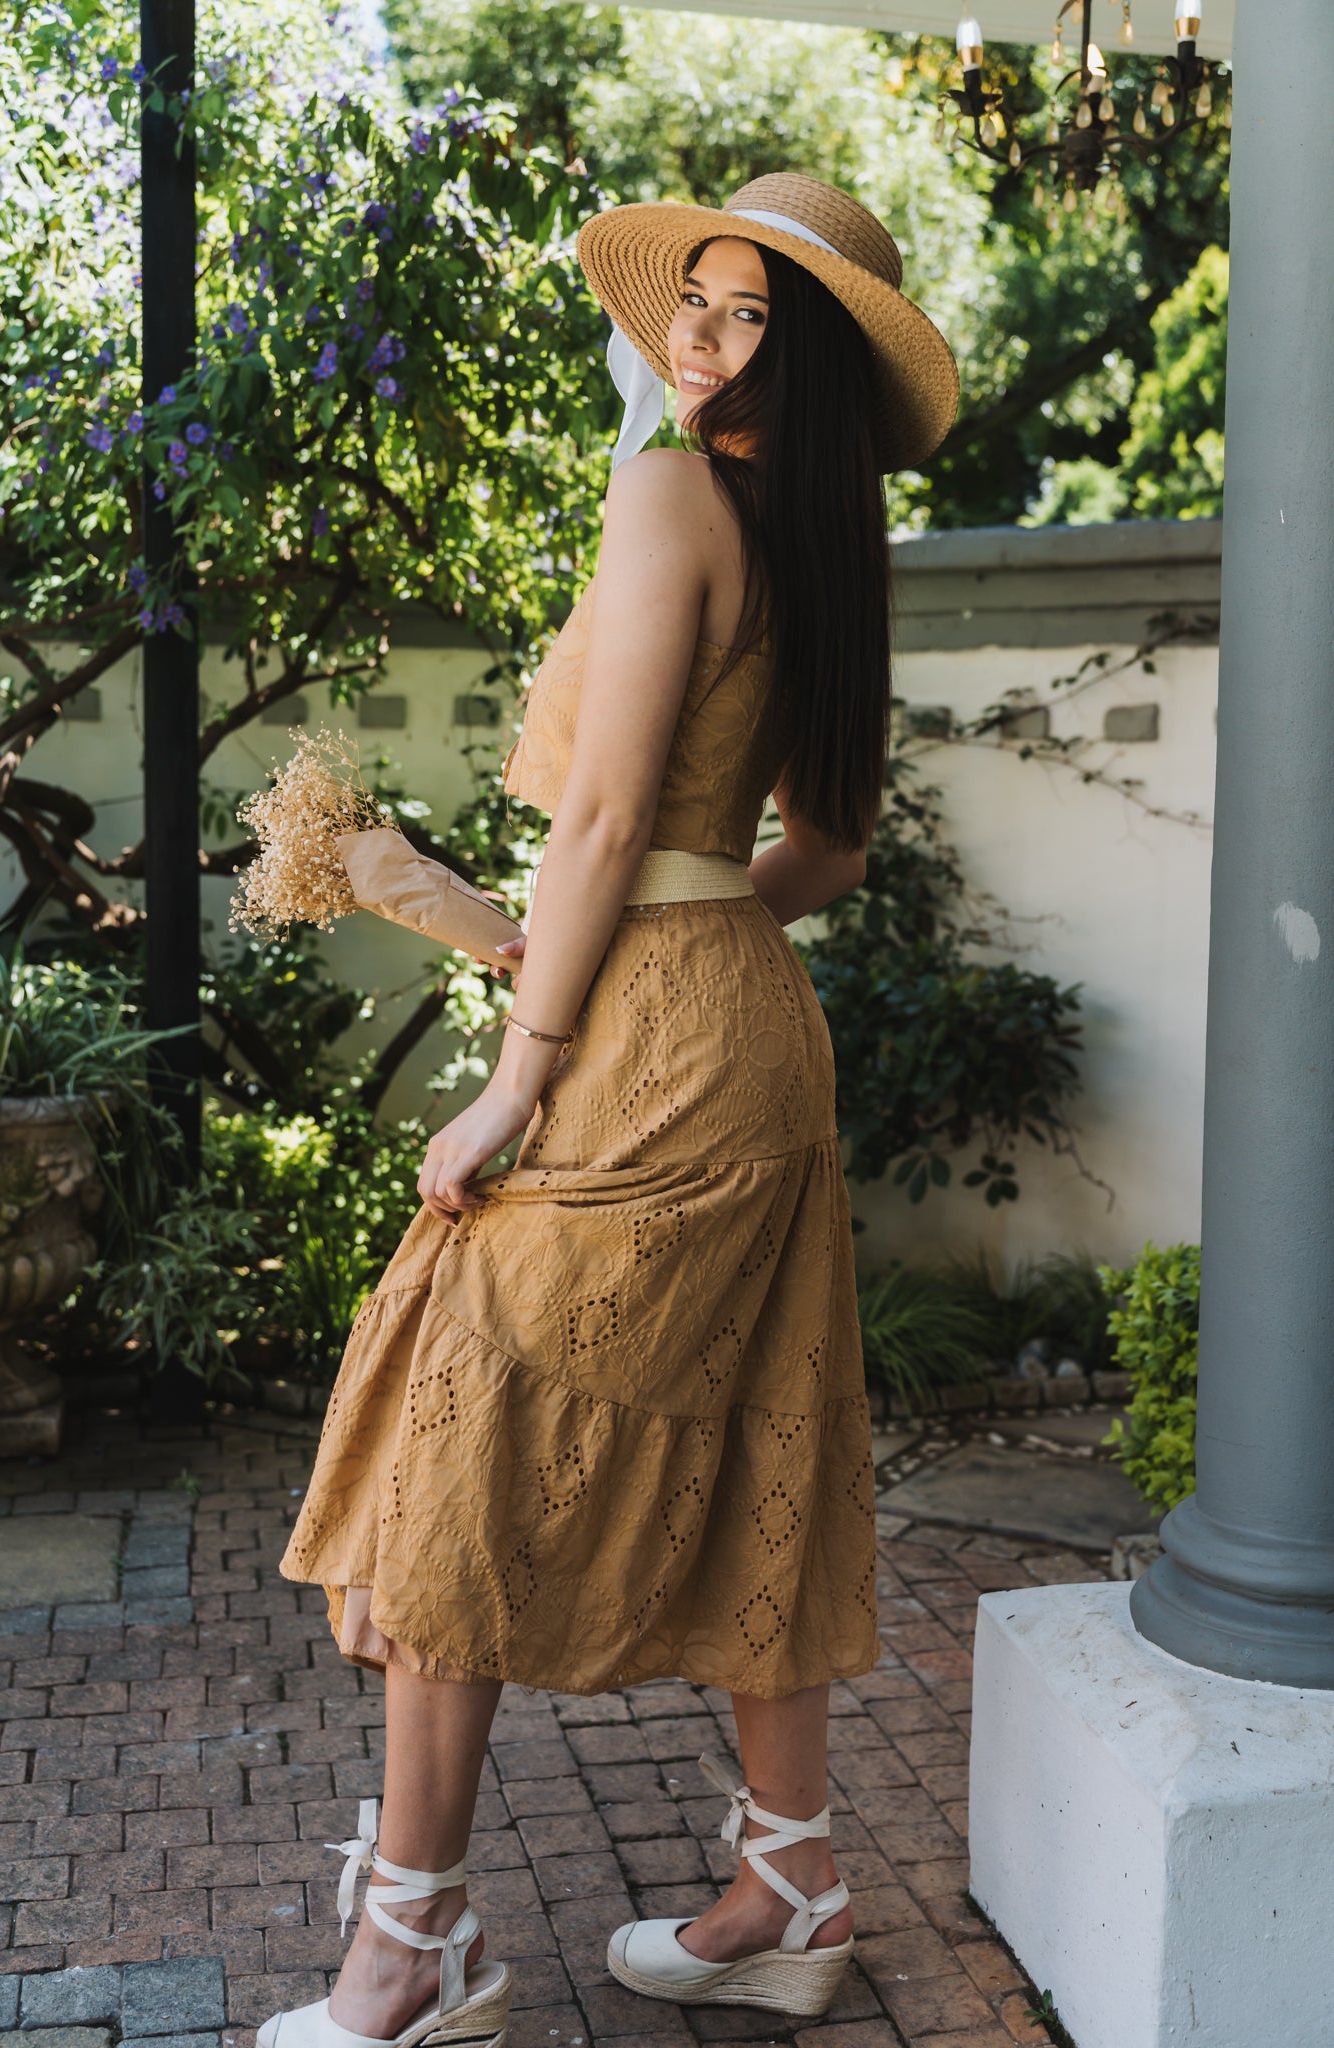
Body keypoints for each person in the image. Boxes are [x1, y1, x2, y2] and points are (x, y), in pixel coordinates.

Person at [257, 171, 958, 2048]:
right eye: (693, 300)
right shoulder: (824, 552)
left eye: (745, 314)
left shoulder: (669, 495)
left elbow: (601, 818)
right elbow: (816, 854)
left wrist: (521, 1069)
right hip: (746, 1032)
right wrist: (682, 950)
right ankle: (789, 1890)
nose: (695, 338)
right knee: (758, 1445)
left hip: (647, 1057)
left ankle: (411, 1953)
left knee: (457, 1462)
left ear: (807, 358)